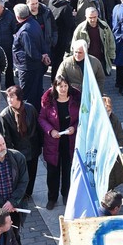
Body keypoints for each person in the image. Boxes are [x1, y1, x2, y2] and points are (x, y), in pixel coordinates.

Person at [39, 75, 80, 209]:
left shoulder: (75, 101)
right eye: (60, 86)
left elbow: (81, 118)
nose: (63, 89)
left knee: (68, 170)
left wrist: (74, 127)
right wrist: (51, 131)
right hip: (53, 143)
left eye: (65, 86)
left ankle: (66, 194)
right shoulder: (48, 102)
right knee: (53, 172)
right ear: (55, 87)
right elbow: (42, 119)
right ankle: (52, 198)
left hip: (69, 142)